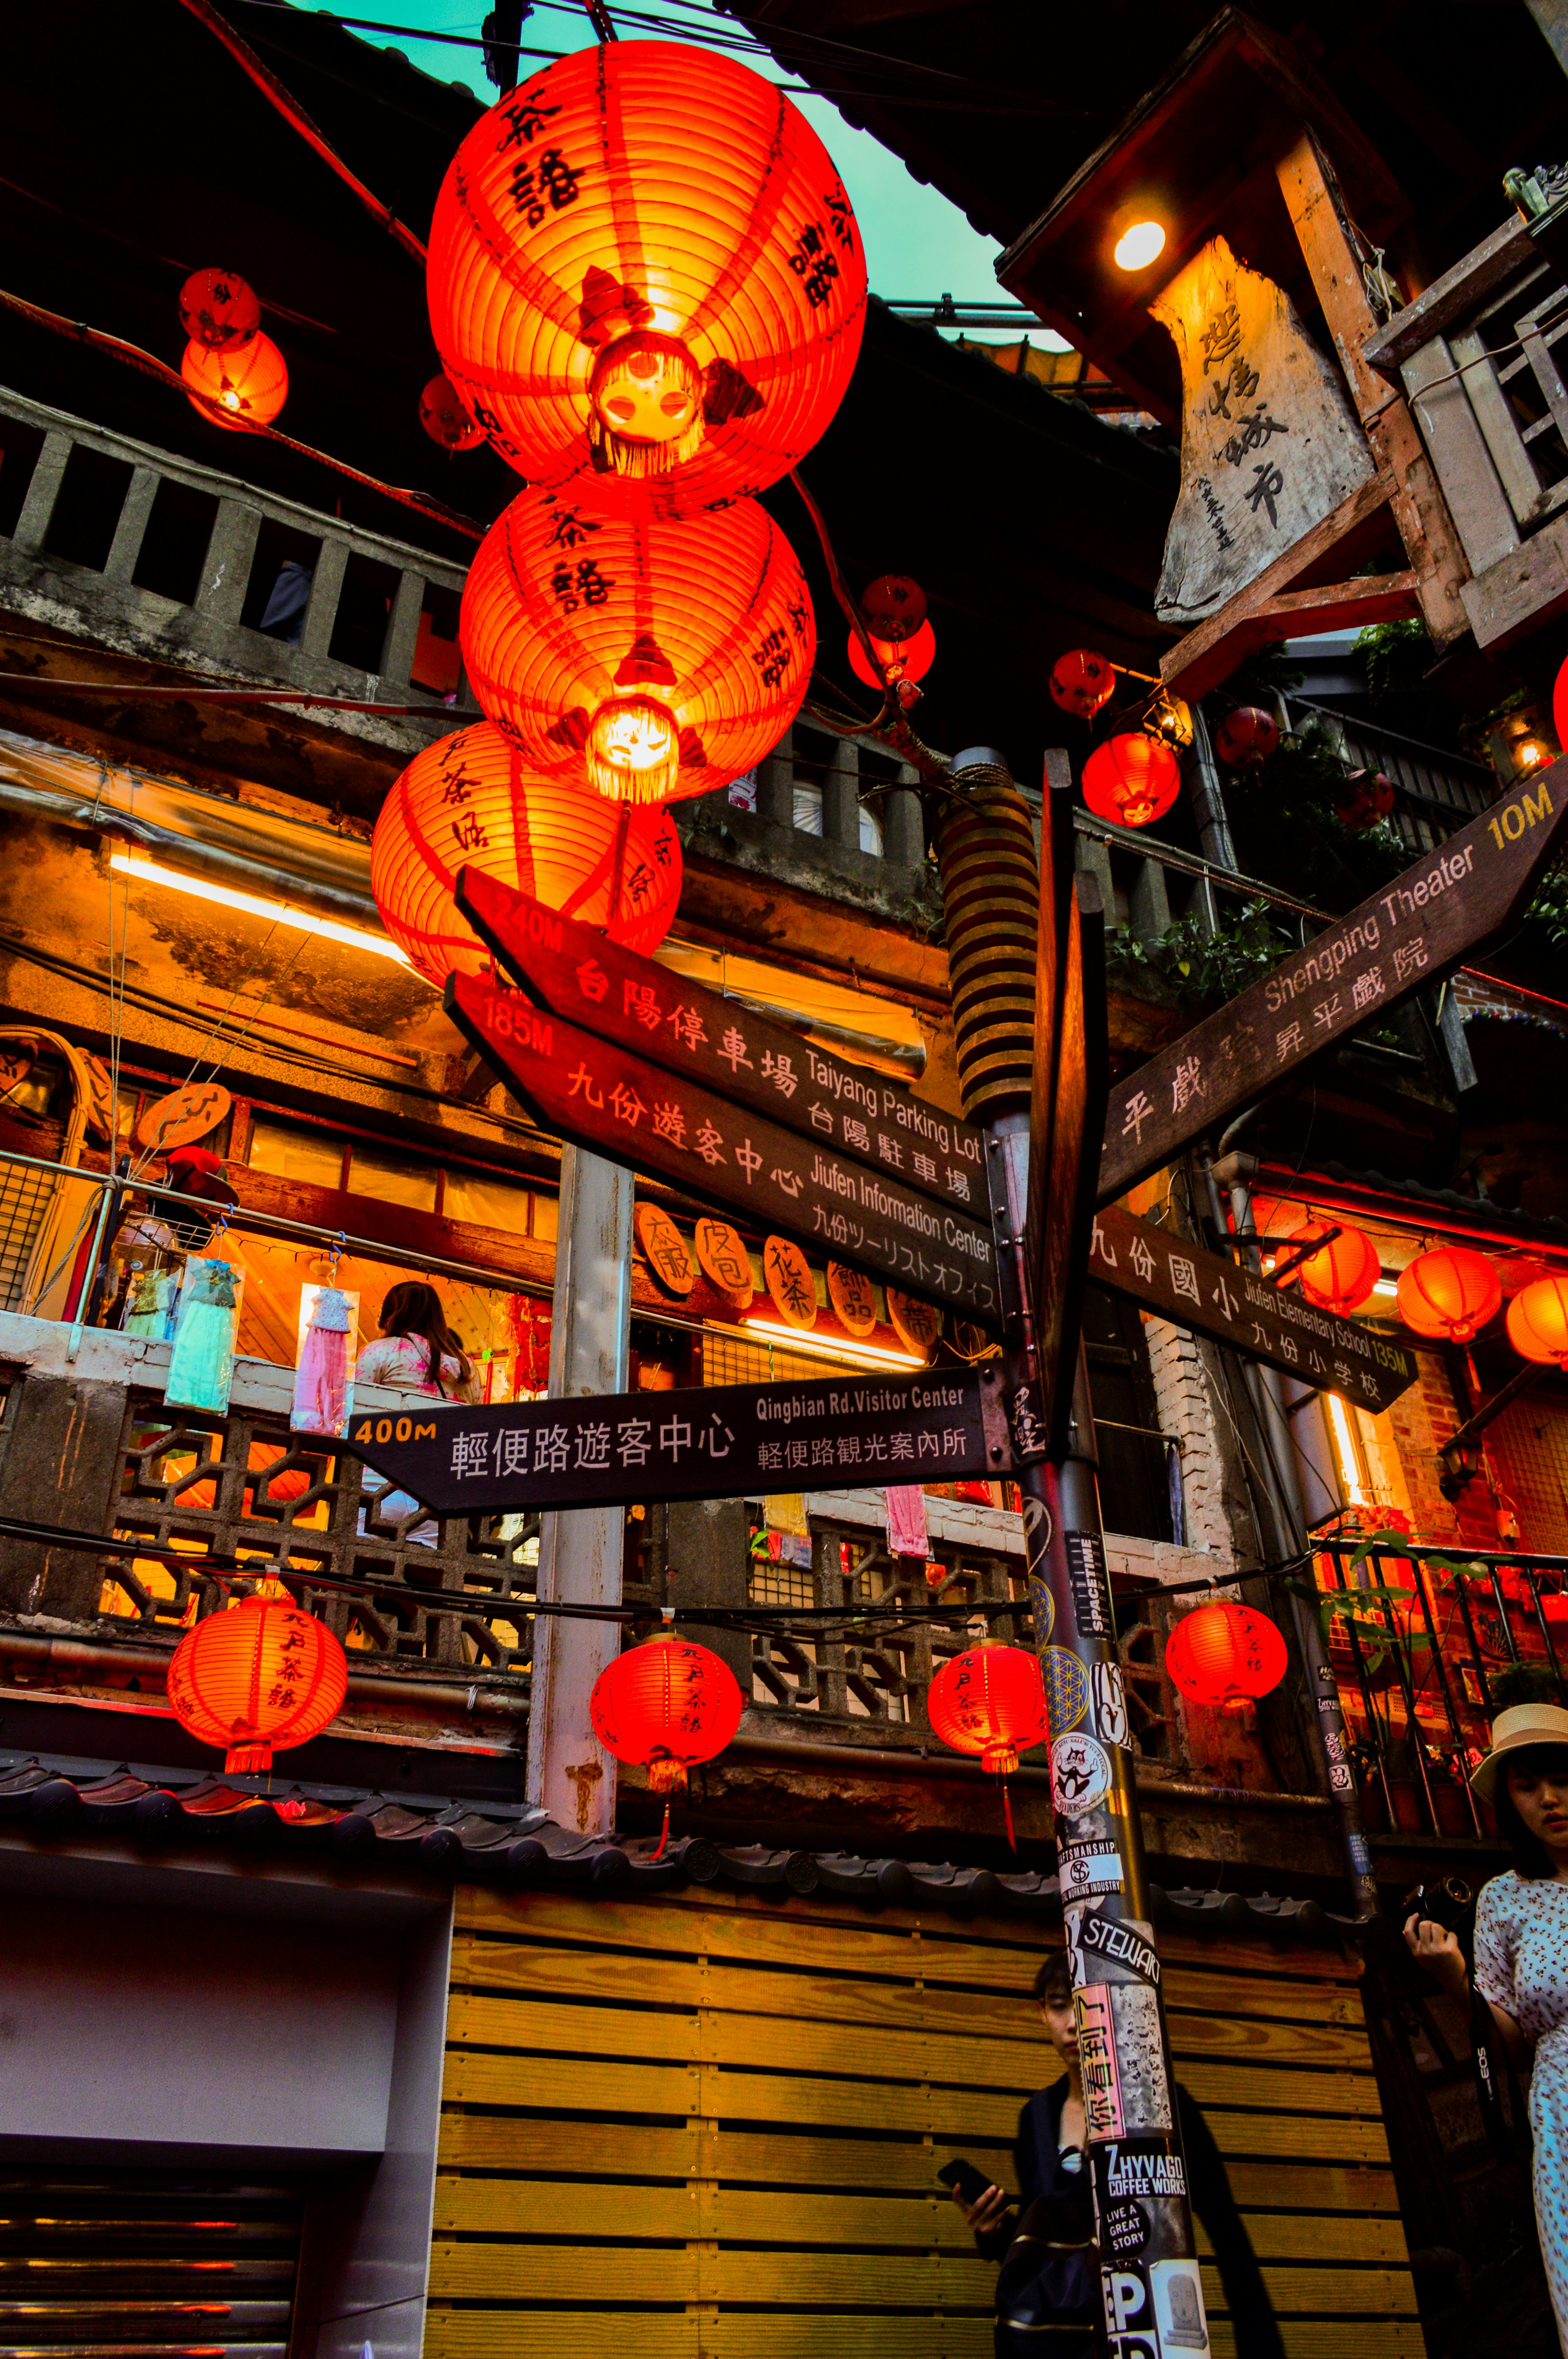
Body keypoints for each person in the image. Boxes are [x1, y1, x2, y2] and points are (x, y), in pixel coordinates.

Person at [951, 1950, 1284, 2359]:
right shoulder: (1036, 2116)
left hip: (1145, 2335)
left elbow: (1229, 2239)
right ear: (1042, 2013)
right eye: (1059, 2007)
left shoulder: (1162, 2107)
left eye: (1086, 2006)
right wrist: (996, 2233)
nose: (1074, 2024)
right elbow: (1054, 2257)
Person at [1404, 1698, 1568, 2355]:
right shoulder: (1506, 1897)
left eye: (1561, 1779)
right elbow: (1510, 2041)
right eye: (1527, 1786)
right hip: (1560, 2104)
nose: (1549, 1800)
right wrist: (1451, 1974)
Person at [356, 1280, 477, 1401]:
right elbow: (479, 1415)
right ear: (437, 1315)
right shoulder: (467, 1365)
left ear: (388, 1315)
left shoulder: (378, 1351)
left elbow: (356, 1407)